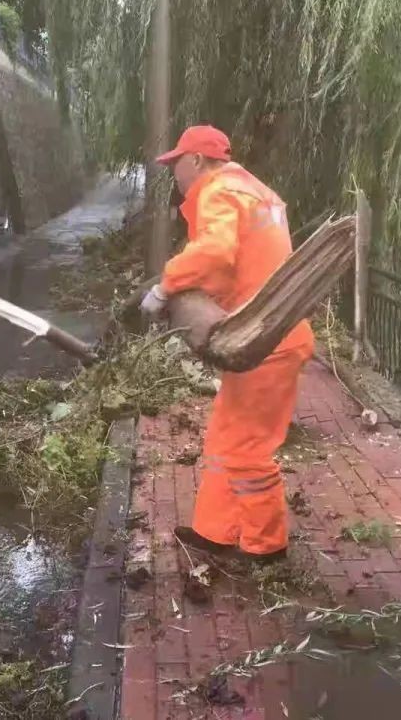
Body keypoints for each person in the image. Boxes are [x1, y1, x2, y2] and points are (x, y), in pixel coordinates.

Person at [140, 125, 314, 563]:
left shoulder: (219, 191)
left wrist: (165, 287)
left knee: (248, 447)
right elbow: (243, 264)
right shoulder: (257, 191)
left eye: (176, 163)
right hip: (266, 334)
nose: (173, 173)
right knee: (226, 436)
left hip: (263, 340)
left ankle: (264, 546)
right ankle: (216, 531)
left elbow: (215, 253)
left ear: (197, 160)